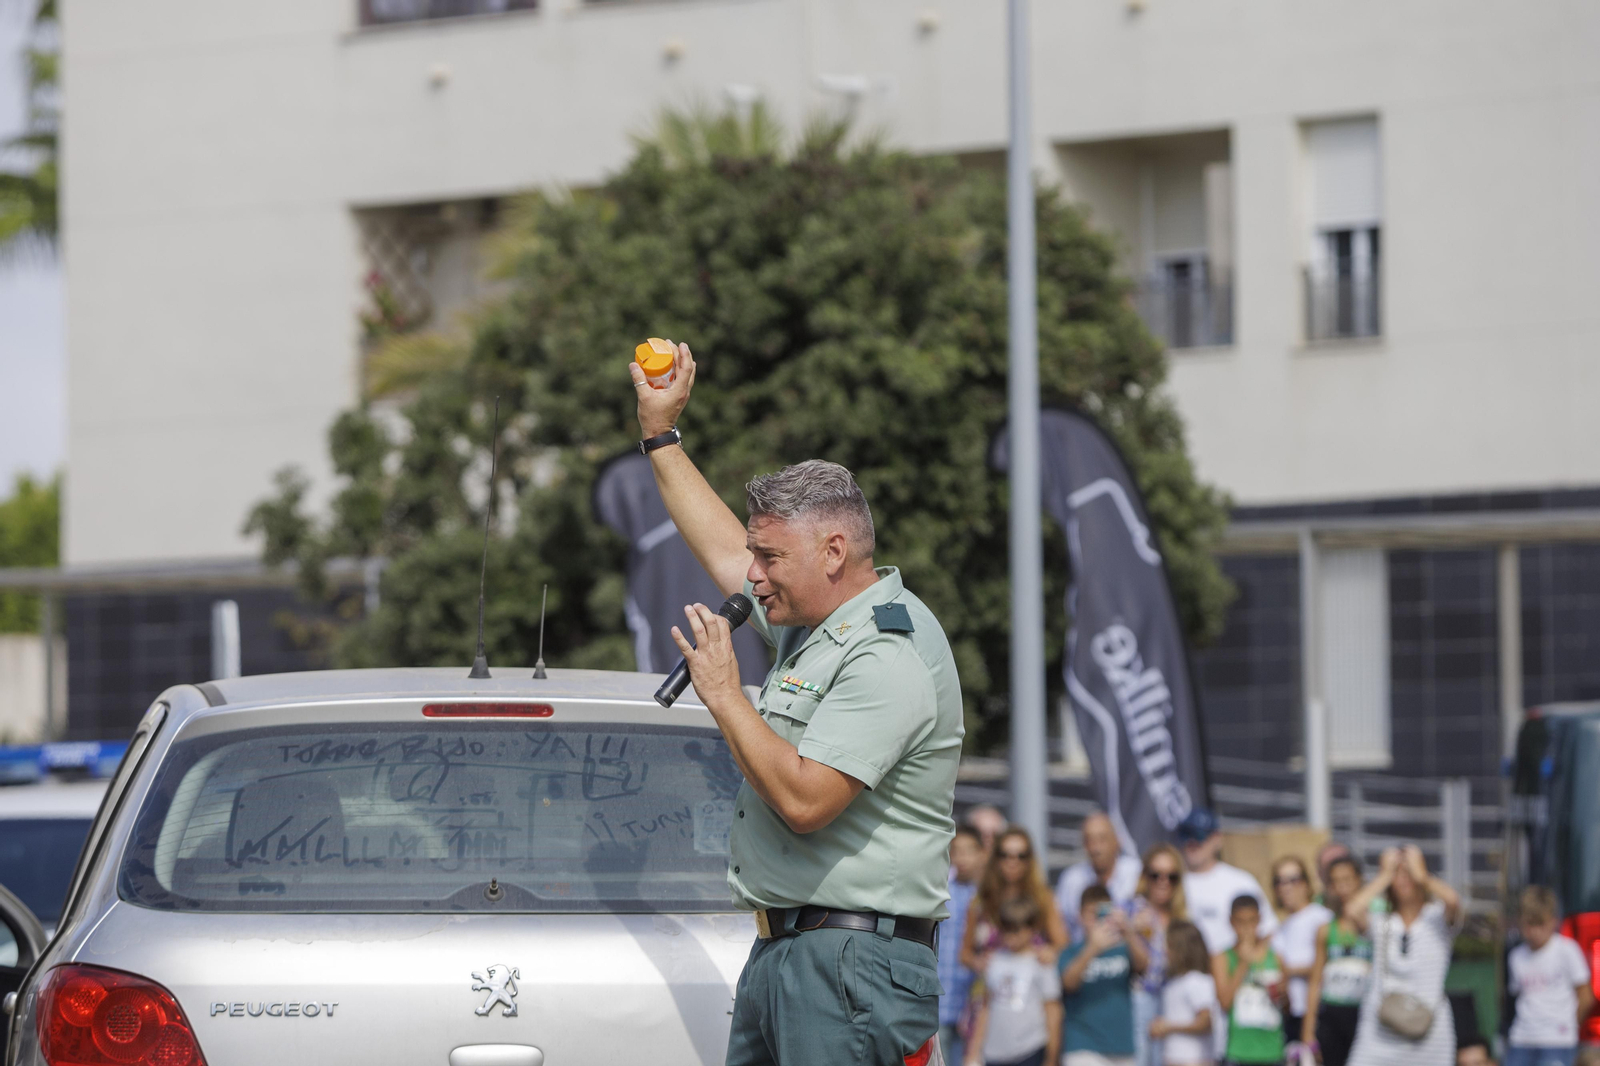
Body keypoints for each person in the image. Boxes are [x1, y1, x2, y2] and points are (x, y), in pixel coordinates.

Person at [632, 343, 965, 1066]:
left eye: (769, 558)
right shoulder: (816, 625)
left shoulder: (886, 650)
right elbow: (722, 545)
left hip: (851, 967)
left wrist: (724, 694)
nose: (750, 574)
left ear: (834, 552)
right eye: (756, 556)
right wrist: (661, 436)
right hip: (793, 953)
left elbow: (807, 802)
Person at [1343, 845, 1461, 1066]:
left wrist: (1423, 876)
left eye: (1408, 873)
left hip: (1429, 1029)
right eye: (1397, 874)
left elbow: (1453, 900)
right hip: (1379, 1030)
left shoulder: (1436, 918)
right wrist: (1383, 875)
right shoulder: (1381, 920)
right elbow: (1352, 910)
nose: (1403, 879)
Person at [964, 897, 1064, 1066]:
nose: (1011, 937)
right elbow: (986, 1008)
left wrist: (1051, 1058)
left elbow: (1053, 1012)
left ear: (1032, 929)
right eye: (1006, 930)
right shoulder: (994, 962)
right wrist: (973, 1052)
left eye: (1016, 930)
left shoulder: (1041, 963)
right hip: (994, 1053)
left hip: (1030, 1050)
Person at [1060, 884, 1149, 1066]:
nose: (1097, 919)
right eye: (1092, 914)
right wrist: (1093, 948)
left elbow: (1144, 966)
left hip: (1122, 1047)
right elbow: (1068, 983)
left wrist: (1129, 931)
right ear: (1080, 916)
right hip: (1082, 1046)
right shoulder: (1070, 953)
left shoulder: (1123, 948)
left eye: (1103, 912)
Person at [962, 826, 1071, 973]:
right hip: (989, 988)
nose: (1012, 862)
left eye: (1021, 855)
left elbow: (1062, 944)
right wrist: (977, 962)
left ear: (1029, 860)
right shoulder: (981, 901)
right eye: (1005, 855)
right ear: (996, 858)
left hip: (1029, 987)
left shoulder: (1043, 898)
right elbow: (965, 954)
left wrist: (1049, 952)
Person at [1505, 885, 1593, 1066]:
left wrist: (1568, 1024)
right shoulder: (1516, 956)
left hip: (1557, 1041)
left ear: (1553, 921)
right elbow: (1516, 997)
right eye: (1529, 924)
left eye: (1540, 924)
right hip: (1521, 1039)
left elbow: (1586, 996)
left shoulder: (1567, 950)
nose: (1534, 931)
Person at [1177, 806, 1278, 954]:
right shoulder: (1168, 880)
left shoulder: (1241, 881)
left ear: (1217, 839)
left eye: (1199, 836)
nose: (1193, 842)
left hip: (1232, 971)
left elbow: (1268, 930)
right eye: (1187, 835)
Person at [1303, 856, 1373, 1066]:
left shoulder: (1375, 927)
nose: (1342, 887)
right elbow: (1316, 982)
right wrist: (1308, 1032)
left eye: (1347, 880)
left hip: (1364, 1015)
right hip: (1332, 1015)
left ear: (1359, 880)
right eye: (1336, 881)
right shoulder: (1326, 930)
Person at [1130, 843, 1191, 1066]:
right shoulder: (1130, 909)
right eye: (1156, 875)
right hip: (1140, 1000)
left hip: (1175, 1004)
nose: (1163, 882)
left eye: (1171, 876)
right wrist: (1130, 932)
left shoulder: (1182, 920)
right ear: (1145, 876)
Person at [1215, 895, 1290, 1066]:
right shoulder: (1223, 958)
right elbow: (1225, 1003)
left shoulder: (1275, 957)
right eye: (1240, 922)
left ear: (1259, 920)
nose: (1247, 928)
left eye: (1252, 921)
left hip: (1272, 1051)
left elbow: (1286, 1007)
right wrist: (1244, 962)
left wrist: (1283, 993)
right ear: (1231, 922)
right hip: (1239, 1052)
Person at [1272, 856, 1334, 1049]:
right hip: (1290, 1012)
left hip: (1317, 1013)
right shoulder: (1280, 926)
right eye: (1279, 881)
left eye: (1293, 879)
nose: (1285, 887)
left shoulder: (1321, 917)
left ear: (1306, 884)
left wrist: (1288, 970)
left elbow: (1329, 964)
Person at [1058, 811, 1145, 941]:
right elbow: (1062, 928)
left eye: (1102, 839)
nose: (1095, 848)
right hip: (1086, 955)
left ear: (1117, 841)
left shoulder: (1136, 873)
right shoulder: (1072, 880)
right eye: (1089, 841)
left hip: (1128, 955)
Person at [941, 825, 987, 1065]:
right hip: (941, 1002)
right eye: (956, 851)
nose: (962, 858)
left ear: (983, 853)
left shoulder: (988, 897)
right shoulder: (941, 893)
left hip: (974, 1007)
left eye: (969, 851)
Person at [1152, 921, 1217, 1066]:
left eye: (1169, 946)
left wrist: (1168, 1026)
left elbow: (1205, 1022)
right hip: (1174, 1059)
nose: (1165, 951)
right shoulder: (1173, 982)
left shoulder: (1197, 981)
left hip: (1194, 1059)